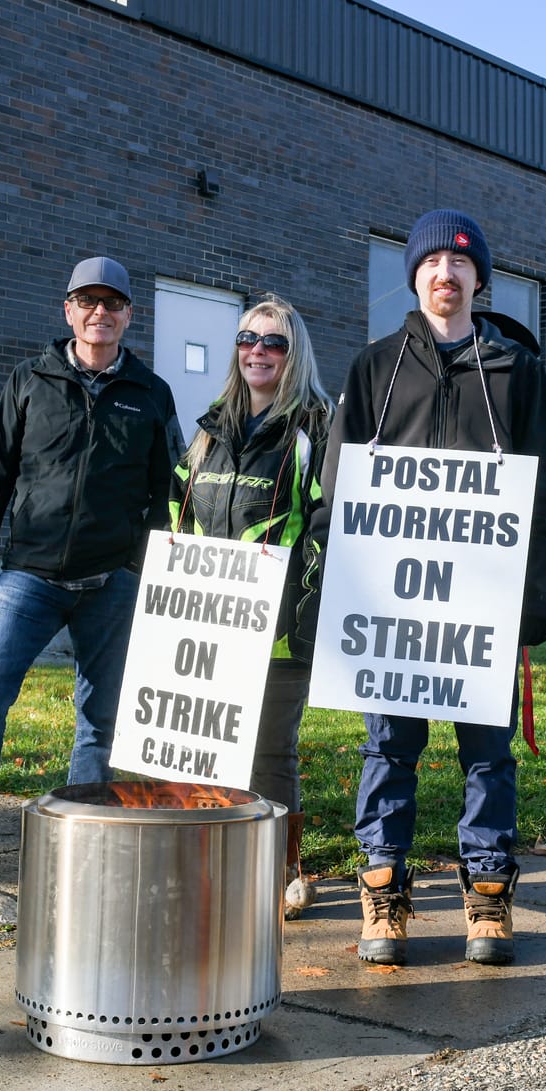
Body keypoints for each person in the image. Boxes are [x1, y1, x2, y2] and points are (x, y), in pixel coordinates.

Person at [309, 210, 546, 966]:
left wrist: (534, 600)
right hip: (394, 610)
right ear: (414, 276)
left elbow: (545, 496)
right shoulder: (374, 369)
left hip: (480, 612)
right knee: (388, 748)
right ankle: (383, 892)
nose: (445, 276)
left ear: (479, 280)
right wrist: (336, 586)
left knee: (488, 755)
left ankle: (488, 897)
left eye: (460, 265)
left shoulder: (516, 372)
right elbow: (337, 491)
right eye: (431, 264)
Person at [0, 258, 181, 875]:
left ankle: (82, 833)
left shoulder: (150, 393)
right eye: (88, 301)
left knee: (101, 718)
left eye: (113, 303)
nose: (100, 313)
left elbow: (166, 494)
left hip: (112, 581)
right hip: (29, 578)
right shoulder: (30, 379)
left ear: (129, 316)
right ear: (68, 310)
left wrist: (141, 568)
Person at [169, 296, 333, 916]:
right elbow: (178, 511)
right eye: (247, 339)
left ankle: (285, 867)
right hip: (208, 618)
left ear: (294, 356)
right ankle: (218, 857)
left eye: (274, 342)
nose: (257, 351)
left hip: (281, 622)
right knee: (208, 742)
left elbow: (324, 521)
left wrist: (305, 602)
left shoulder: (315, 424)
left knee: (270, 749)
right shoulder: (211, 426)